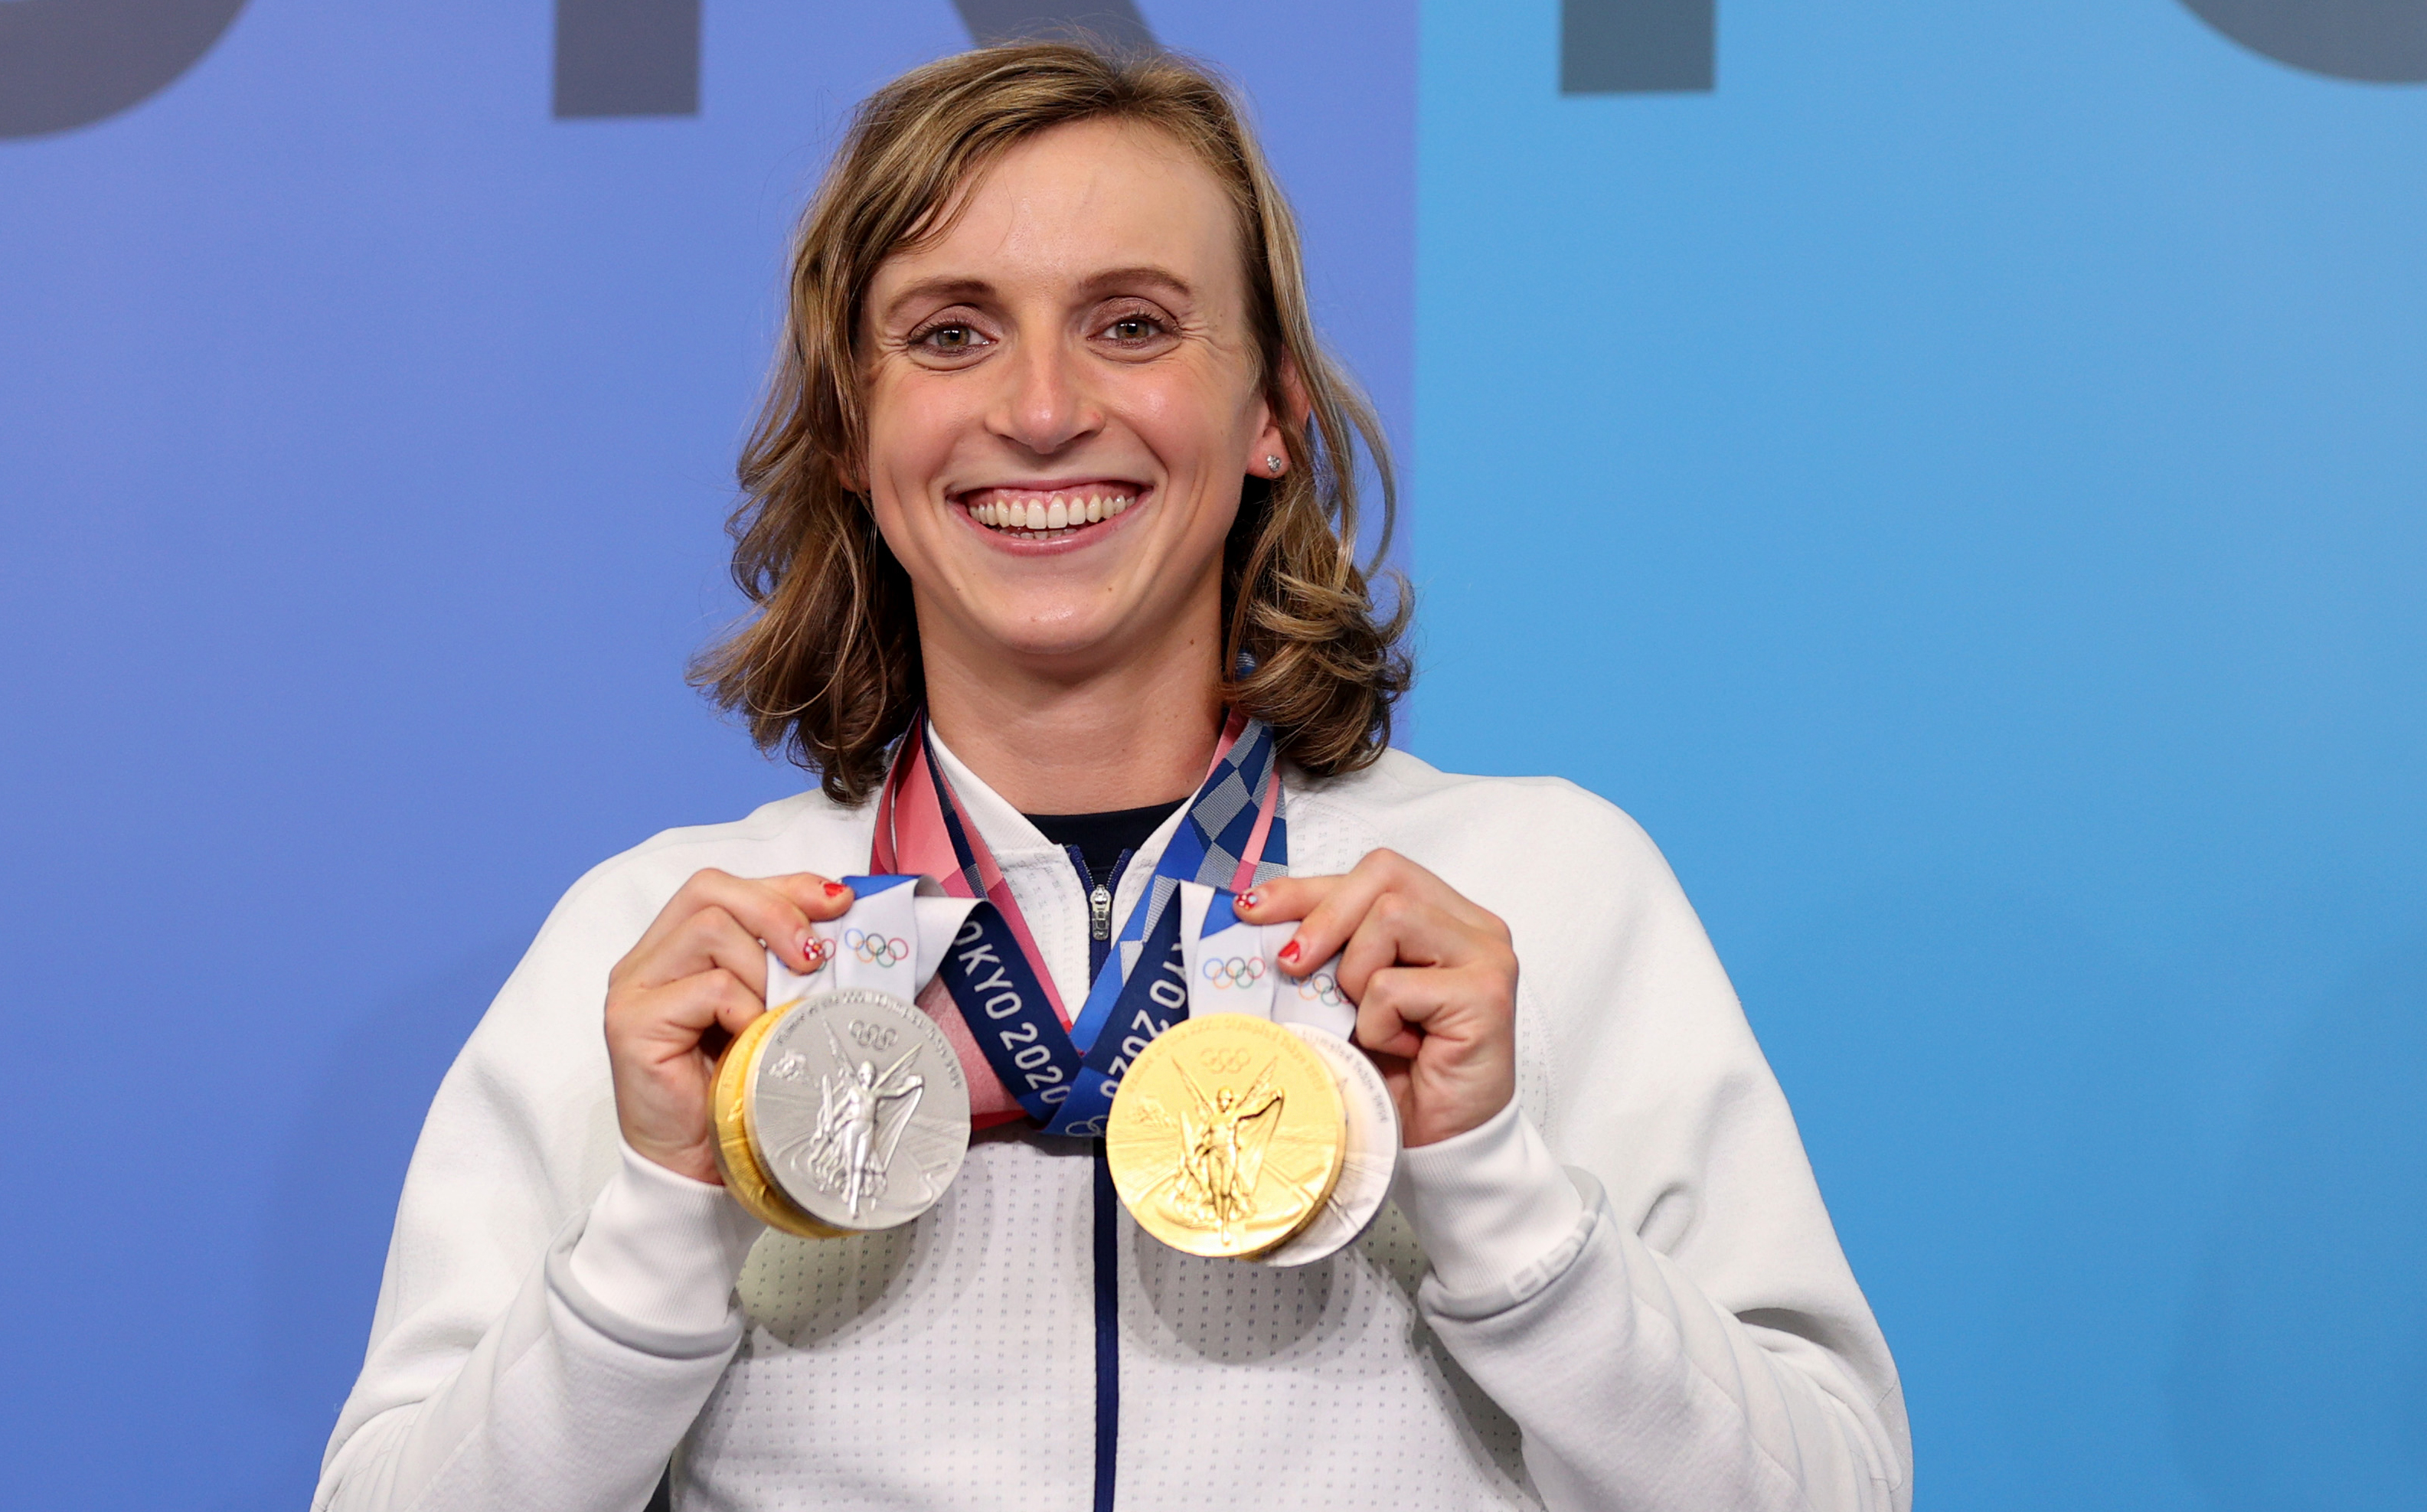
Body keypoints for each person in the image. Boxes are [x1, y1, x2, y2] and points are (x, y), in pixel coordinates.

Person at [313, 41, 1909, 1512]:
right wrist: (668, 1208)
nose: (1042, 409)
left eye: (1132, 323)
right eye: (950, 333)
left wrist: (1492, 1187)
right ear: (857, 436)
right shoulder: (671, 944)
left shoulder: (1542, 897)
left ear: (1270, 409)